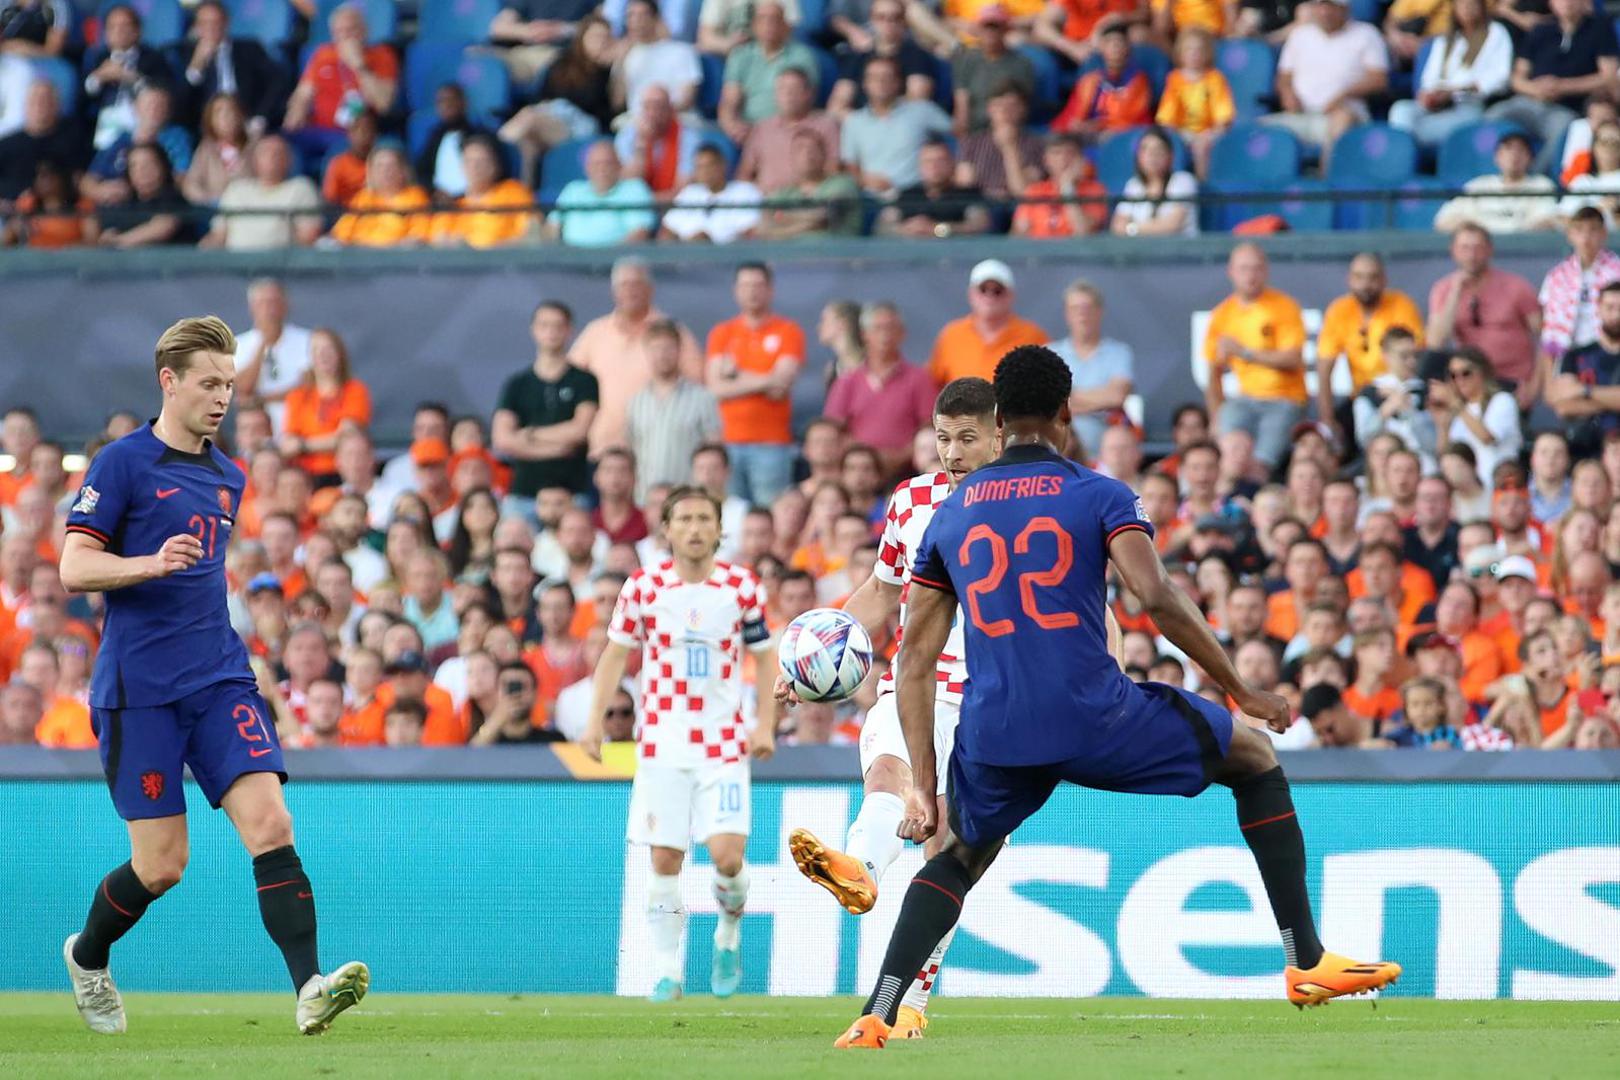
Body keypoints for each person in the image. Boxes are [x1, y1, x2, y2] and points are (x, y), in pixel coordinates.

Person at [832, 344, 1398, 1049]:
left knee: (953, 859)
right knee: (1252, 757)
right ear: (1068, 412)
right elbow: (1156, 599)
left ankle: (878, 1011)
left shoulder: (947, 517)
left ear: (1000, 420)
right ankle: (1306, 959)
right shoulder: (1097, 492)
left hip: (996, 729)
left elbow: (913, 660)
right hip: (1095, 716)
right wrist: (1239, 688)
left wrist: (924, 785)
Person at [57, 316, 368, 1036]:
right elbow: (75, 567)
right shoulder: (121, 463)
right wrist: (143, 564)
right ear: (169, 382)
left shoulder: (229, 474)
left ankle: (310, 988)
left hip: (218, 679)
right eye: (209, 384)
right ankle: (88, 953)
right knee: (163, 866)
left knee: (271, 822)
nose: (223, 397)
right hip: (140, 693)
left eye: (229, 384)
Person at [782, 377, 1033, 1036]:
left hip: (1001, 697)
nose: (951, 451)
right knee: (890, 776)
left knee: (951, 849)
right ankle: (858, 869)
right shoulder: (914, 499)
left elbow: (1091, 602)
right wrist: (812, 657)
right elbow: (881, 590)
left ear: (999, 433)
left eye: (967, 438)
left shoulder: (1037, 502)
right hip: (918, 681)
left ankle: (915, 1000)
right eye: (943, 437)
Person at [580, 485, 778, 1001]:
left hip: (723, 745)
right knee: (665, 859)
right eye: (684, 518)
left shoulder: (741, 586)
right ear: (666, 528)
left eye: (703, 518)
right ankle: (668, 971)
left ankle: (728, 935)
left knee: (728, 857)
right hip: (662, 745)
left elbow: (764, 656)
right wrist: (594, 722)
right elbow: (615, 655)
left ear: (719, 528)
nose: (694, 528)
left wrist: (764, 726)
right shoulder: (643, 587)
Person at [572, 257, 704, 456]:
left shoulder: (674, 331)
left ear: (651, 289)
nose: (631, 290)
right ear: (614, 291)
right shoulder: (595, 332)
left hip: (659, 451)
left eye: (637, 284)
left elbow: (697, 382)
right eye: (624, 285)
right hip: (604, 450)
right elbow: (570, 380)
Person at [705, 262, 805, 507]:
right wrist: (766, 379)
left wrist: (736, 374)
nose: (752, 291)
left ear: (771, 290)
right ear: (736, 290)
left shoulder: (788, 331)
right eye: (746, 285)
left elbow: (781, 385)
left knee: (769, 514)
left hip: (772, 444)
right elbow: (716, 388)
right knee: (729, 515)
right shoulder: (723, 332)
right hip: (728, 442)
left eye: (758, 285)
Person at [1202, 243, 1309, 468]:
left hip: (1284, 398)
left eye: (1256, 268)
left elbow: (1293, 359)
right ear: (1231, 272)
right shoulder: (1222, 315)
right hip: (1244, 399)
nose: (1250, 275)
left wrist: (1244, 352)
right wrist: (1215, 417)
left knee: (1262, 461)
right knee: (1227, 454)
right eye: (1243, 269)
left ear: (1266, 271)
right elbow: (1213, 371)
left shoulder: (1284, 307)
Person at [1485, 0, 1618, 175]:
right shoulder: (1540, 31)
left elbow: (1608, 76)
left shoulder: (1600, 29)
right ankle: (1490, 176)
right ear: (1551, 3)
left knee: (1563, 130)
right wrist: (1535, 89)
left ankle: (1534, 179)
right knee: (1491, 117)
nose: (1567, 3)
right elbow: (1517, 77)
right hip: (1530, 101)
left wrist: (1563, 86)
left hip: (1567, 107)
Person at [492, 301, 600, 512]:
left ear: (570, 331)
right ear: (533, 330)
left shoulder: (584, 381)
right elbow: (502, 439)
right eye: (544, 325)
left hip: (572, 493)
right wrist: (555, 448)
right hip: (523, 494)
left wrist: (528, 434)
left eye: (558, 326)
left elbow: (578, 430)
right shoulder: (517, 384)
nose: (551, 332)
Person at [1425, 222, 1544, 407]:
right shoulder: (1443, 289)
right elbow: (1435, 342)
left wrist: (1534, 386)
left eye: (1477, 248)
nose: (1471, 255)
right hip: (1467, 384)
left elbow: (1547, 338)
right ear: (1453, 250)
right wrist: (1455, 291)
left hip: (1511, 382)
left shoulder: (1516, 286)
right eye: (1464, 248)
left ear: (1489, 250)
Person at [1263, 0, 1388, 169]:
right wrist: (1287, 94)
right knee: (1255, 131)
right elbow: (1284, 77)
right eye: (1321, 6)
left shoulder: (1366, 34)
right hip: (1300, 114)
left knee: (1343, 118)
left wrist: (1343, 95)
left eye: (1331, 7)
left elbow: (1379, 80)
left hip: (1344, 114)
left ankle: (1326, 187)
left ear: (1345, 9)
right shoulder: (1300, 34)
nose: (1325, 12)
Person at [1314, 252, 1425, 440]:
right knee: (1329, 441)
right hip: (1361, 395)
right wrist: (1327, 419)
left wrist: (1399, 390)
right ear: (1349, 279)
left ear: (1384, 280)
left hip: (1398, 391)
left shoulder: (1401, 305)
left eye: (1372, 277)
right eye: (1359, 277)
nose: (1366, 284)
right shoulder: (1339, 310)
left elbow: (1415, 353)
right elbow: (1324, 368)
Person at [825, 303, 939, 474]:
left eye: (891, 328)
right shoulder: (847, 381)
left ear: (902, 334)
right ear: (864, 334)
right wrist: (865, 457)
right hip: (857, 472)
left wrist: (899, 456)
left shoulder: (920, 379)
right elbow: (833, 429)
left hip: (907, 471)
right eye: (878, 328)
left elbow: (929, 427)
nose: (885, 335)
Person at [1387, 0, 1513, 151]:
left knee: (1409, 133)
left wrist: (1454, 91)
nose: (1467, 8)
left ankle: (1405, 150)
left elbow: (1500, 78)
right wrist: (1431, 94)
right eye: (1462, 4)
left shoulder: (1496, 32)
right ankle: (1406, 148)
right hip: (1435, 106)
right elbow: (1429, 77)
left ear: (1481, 7)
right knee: (1400, 109)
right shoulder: (1445, 39)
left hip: (1468, 106)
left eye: (1472, 4)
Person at [280, 3, 398, 162]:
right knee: (279, 145)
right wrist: (296, 110)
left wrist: (359, 66)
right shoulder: (323, 55)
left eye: (351, 30)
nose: (345, 37)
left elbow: (384, 104)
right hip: (320, 129)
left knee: (340, 152)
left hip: (358, 134)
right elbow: (302, 94)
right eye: (339, 32)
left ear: (365, 31)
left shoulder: (382, 55)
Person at [626, 319, 725, 500]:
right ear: (646, 352)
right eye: (655, 349)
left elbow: (714, 450)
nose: (662, 355)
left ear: (679, 351)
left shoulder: (702, 398)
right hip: (647, 499)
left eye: (668, 348)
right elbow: (632, 450)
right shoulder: (636, 401)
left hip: (689, 497)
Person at [840, 55, 953, 195]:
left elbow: (959, 134)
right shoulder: (853, 121)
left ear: (898, 82)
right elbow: (850, 166)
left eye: (887, 77)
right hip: (871, 198)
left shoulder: (922, 110)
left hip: (915, 197)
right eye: (874, 77)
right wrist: (864, 180)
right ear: (865, 84)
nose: (880, 82)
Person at [173, 1, 288, 136]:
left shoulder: (250, 49)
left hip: (250, 124)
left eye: (216, 22)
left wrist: (260, 117)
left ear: (226, 23)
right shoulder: (183, 54)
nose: (211, 28)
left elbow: (277, 83)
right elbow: (180, 107)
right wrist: (196, 68)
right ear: (197, 27)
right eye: (205, 23)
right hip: (208, 132)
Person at [1049, 280, 1135, 458]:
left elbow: (1117, 396)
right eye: (1075, 308)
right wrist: (1099, 403)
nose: (1082, 314)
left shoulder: (1119, 352)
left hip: (1106, 458)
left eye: (1087, 307)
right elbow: (1049, 403)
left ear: (1100, 312)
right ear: (1066, 314)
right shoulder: (1050, 353)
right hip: (1061, 454)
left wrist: (1070, 396)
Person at [929, 259, 1050, 384]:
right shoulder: (951, 336)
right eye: (983, 289)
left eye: (998, 291)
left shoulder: (1033, 336)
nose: (989, 297)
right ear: (971, 294)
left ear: (1011, 295)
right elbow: (934, 386)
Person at [278, 328, 371, 483]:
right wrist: (315, 443)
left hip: (341, 473)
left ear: (339, 354)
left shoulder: (355, 390)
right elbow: (288, 445)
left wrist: (303, 445)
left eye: (328, 349)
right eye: (316, 350)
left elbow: (344, 439)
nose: (323, 355)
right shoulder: (297, 396)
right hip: (305, 475)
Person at [718, 1, 819, 142]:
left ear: (786, 26)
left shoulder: (802, 56)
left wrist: (771, 131)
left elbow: (806, 101)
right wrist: (733, 127)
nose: (769, 24)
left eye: (775, 18)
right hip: (748, 131)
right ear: (753, 25)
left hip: (789, 131)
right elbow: (729, 101)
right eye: (762, 18)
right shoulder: (740, 55)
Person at [201, 134, 321, 251]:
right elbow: (219, 234)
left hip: (281, 266)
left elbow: (308, 237)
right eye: (265, 153)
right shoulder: (236, 190)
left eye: (278, 153)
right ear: (255, 160)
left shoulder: (301, 188)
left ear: (289, 160)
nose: (272, 157)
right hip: (235, 266)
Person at [80, 3, 170, 151]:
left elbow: (162, 93)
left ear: (137, 31)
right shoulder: (97, 58)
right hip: (105, 123)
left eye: (124, 26)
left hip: (141, 121)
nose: (119, 31)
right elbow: (82, 98)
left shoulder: (154, 58)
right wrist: (98, 78)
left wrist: (129, 77)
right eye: (113, 27)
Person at [738, 66, 842, 196]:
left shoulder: (826, 125)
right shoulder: (762, 128)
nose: (788, 94)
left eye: (794, 89)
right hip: (768, 202)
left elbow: (833, 169)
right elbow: (744, 174)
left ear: (809, 93)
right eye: (782, 89)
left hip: (809, 202)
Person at [1432, 129, 1559, 234]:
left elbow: (1548, 222)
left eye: (1520, 150)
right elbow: (1443, 222)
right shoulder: (1478, 185)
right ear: (1497, 157)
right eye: (1508, 149)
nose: (1514, 156)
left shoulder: (1542, 185)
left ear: (1530, 158)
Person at [827, 0, 937, 120]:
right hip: (864, 125)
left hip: (902, 124)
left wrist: (883, 118)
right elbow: (836, 106)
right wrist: (866, 123)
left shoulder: (917, 55)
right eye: (881, 17)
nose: (889, 23)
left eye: (896, 17)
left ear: (904, 21)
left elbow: (917, 100)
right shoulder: (857, 57)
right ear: (872, 20)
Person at [1547, 281, 1620, 455]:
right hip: (1584, 448)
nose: (1616, 315)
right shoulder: (1576, 354)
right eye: (1610, 307)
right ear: (1598, 309)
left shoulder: (1581, 384)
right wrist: (1612, 399)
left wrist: (1583, 390)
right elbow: (1563, 406)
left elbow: (1573, 393)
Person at [1540, 207, 1620, 364]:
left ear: (1604, 233)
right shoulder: (1557, 276)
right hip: (1568, 355)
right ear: (1569, 235)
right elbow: (1549, 327)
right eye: (1579, 230)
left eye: (1593, 230)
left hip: (1611, 356)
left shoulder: (1617, 271)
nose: (1586, 237)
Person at [429, 134, 538, 249]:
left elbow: (534, 236)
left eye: (482, 161)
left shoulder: (515, 193)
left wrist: (491, 249)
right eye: (469, 161)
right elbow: (436, 241)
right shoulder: (454, 205)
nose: (475, 167)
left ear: (496, 165)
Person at [1154, 26, 1233, 178]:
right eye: (1189, 49)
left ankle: (1201, 185)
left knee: (1201, 146)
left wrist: (1208, 134)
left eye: (1199, 50)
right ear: (1181, 53)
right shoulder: (1174, 79)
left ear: (1207, 53)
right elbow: (1166, 117)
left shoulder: (1215, 79)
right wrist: (1173, 134)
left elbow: (1223, 118)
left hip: (1209, 132)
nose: (1194, 54)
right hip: (1181, 131)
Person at [548, 139, 656, 247]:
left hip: (617, 258)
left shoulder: (634, 189)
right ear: (587, 168)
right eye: (596, 164)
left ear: (619, 165)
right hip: (569, 258)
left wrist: (605, 257)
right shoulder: (573, 190)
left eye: (608, 163)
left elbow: (639, 233)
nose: (602, 169)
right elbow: (552, 226)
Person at [876, 136, 990, 237]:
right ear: (920, 166)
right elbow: (882, 227)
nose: (934, 166)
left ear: (952, 163)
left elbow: (979, 225)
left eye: (940, 161)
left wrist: (938, 229)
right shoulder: (907, 195)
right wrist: (905, 230)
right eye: (928, 161)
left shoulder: (968, 195)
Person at [758, 128, 863, 238]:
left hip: (832, 253)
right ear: (791, 158)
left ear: (824, 155)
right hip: (790, 254)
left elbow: (822, 216)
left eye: (813, 149)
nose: (807, 153)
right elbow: (764, 230)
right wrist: (807, 224)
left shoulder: (843, 183)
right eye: (800, 149)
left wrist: (782, 217)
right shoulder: (784, 192)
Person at [1052, 23, 1154, 136]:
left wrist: (1098, 126)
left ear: (1128, 47)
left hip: (1119, 134)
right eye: (1109, 42)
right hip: (1087, 134)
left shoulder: (1138, 80)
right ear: (1101, 48)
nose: (1115, 46)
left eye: (1120, 42)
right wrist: (1075, 125)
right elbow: (1073, 112)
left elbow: (1131, 117)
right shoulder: (1089, 81)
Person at [951, 5, 1036, 136]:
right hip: (975, 128)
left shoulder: (1021, 63)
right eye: (986, 27)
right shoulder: (968, 59)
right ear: (978, 30)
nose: (990, 32)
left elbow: (1021, 105)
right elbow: (962, 97)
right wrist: (962, 124)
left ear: (1005, 30)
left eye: (995, 27)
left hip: (1007, 127)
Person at [329, 143, 434, 248]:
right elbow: (341, 235)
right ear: (371, 171)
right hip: (361, 259)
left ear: (403, 171)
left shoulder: (416, 197)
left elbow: (417, 239)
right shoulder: (363, 198)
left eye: (391, 166)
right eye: (380, 166)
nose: (386, 172)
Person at [659, 142, 762, 245]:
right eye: (699, 167)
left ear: (723, 165)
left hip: (731, 258)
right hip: (687, 257)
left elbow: (751, 233)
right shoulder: (688, 194)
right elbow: (667, 231)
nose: (705, 172)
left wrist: (711, 247)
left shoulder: (745, 192)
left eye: (710, 165)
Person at [94, 143, 193, 249]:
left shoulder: (173, 198)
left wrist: (120, 240)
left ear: (162, 166)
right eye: (134, 166)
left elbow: (164, 226)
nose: (142, 171)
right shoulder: (126, 201)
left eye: (148, 164)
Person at [615, 0, 703, 118]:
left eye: (642, 15)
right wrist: (620, 63)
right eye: (630, 15)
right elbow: (617, 101)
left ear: (656, 18)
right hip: (637, 124)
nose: (635, 21)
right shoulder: (627, 55)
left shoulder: (682, 51)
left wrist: (654, 116)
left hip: (676, 121)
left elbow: (686, 100)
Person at [1011, 132, 1109, 238]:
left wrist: (1067, 187)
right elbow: (1017, 235)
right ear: (1046, 160)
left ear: (1081, 159)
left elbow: (1083, 230)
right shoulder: (1034, 191)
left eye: (1070, 153)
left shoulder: (1095, 190)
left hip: (1076, 251)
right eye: (1056, 153)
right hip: (1038, 251)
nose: (1063, 159)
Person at [1109, 125, 1198, 238]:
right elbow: (1117, 225)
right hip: (1141, 253)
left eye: (1158, 149)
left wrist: (1132, 228)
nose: (1152, 155)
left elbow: (1171, 225)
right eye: (1145, 149)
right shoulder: (1134, 185)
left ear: (1170, 156)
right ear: (1138, 156)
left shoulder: (1184, 180)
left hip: (1180, 252)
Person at [616, 84, 702, 199]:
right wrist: (641, 143)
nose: (653, 113)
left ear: (671, 110)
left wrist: (648, 202)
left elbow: (684, 189)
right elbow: (628, 184)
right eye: (648, 107)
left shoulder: (688, 138)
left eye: (659, 107)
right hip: (636, 210)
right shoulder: (626, 136)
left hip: (675, 207)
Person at [414, 84, 493, 201]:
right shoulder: (434, 137)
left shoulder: (480, 136)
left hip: (474, 201)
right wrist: (434, 191)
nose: (447, 105)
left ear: (464, 103)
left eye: (452, 100)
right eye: (442, 102)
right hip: (439, 203)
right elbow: (422, 171)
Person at [181, 93, 252, 206]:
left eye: (231, 110)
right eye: (219, 112)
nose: (226, 116)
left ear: (241, 115)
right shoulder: (206, 149)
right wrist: (209, 200)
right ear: (210, 119)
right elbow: (191, 184)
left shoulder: (255, 145)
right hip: (213, 211)